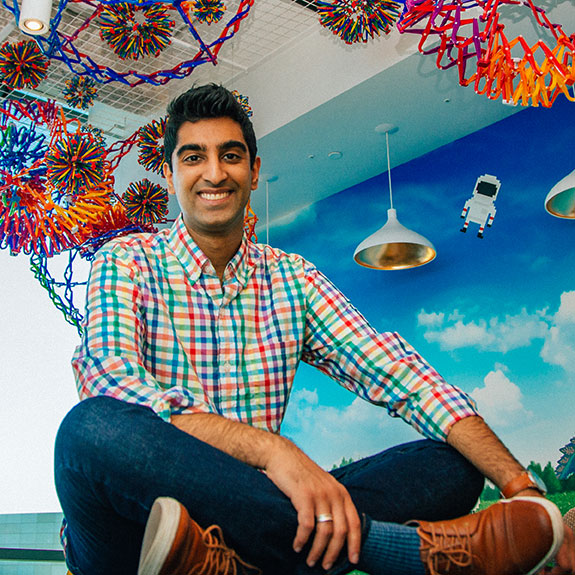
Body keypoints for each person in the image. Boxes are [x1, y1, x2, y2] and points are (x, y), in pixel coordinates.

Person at [54, 83, 575, 575]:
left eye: (230, 155)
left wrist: (522, 488)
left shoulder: (292, 277)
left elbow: (400, 374)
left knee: (452, 465)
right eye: (194, 157)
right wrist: (274, 452)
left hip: (257, 518)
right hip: (136, 532)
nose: (214, 172)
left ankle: (234, 564)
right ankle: (399, 552)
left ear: (254, 171)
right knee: (91, 430)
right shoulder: (125, 261)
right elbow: (113, 386)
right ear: (170, 174)